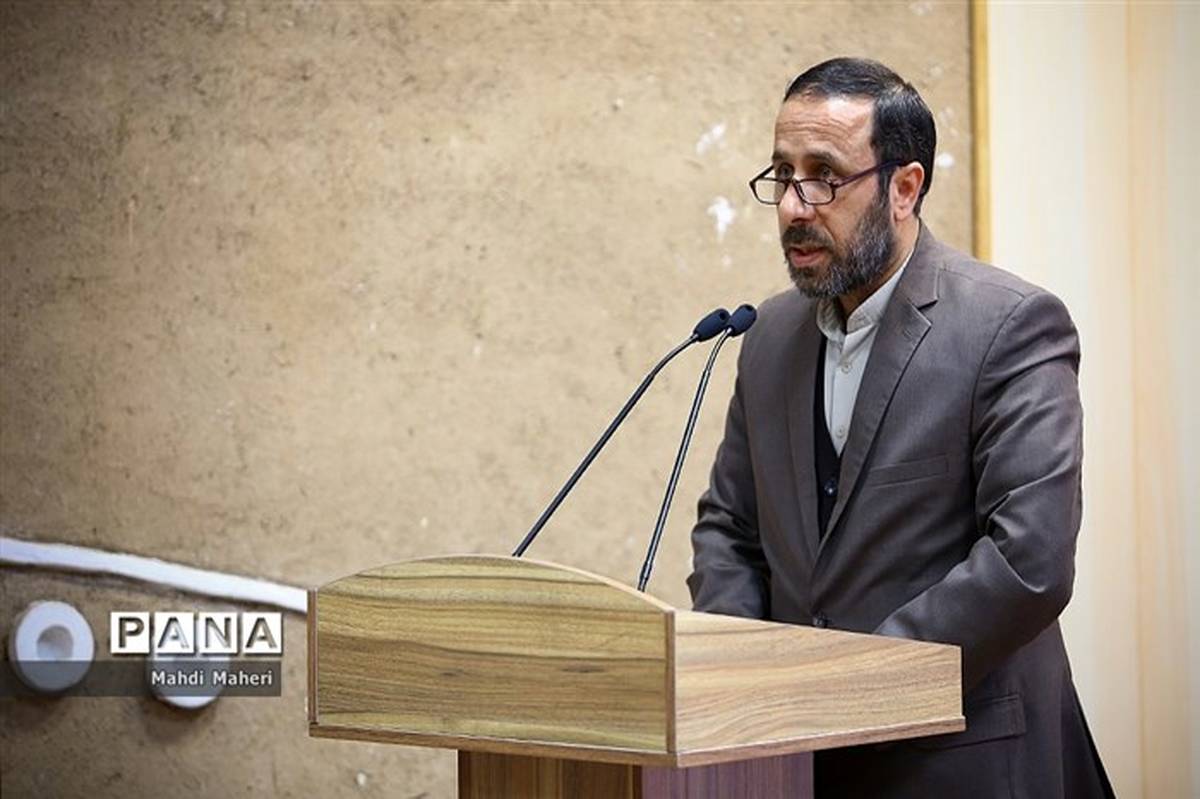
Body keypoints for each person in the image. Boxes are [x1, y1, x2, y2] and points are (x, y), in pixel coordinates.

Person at [687, 57, 1113, 798]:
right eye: (783, 174)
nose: (793, 206)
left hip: (963, 759)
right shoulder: (768, 336)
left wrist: (856, 686)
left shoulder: (1010, 326)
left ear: (905, 188)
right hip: (795, 760)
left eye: (824, 176)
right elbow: (730, 528)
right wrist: (749, 678)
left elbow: (1029, 560)